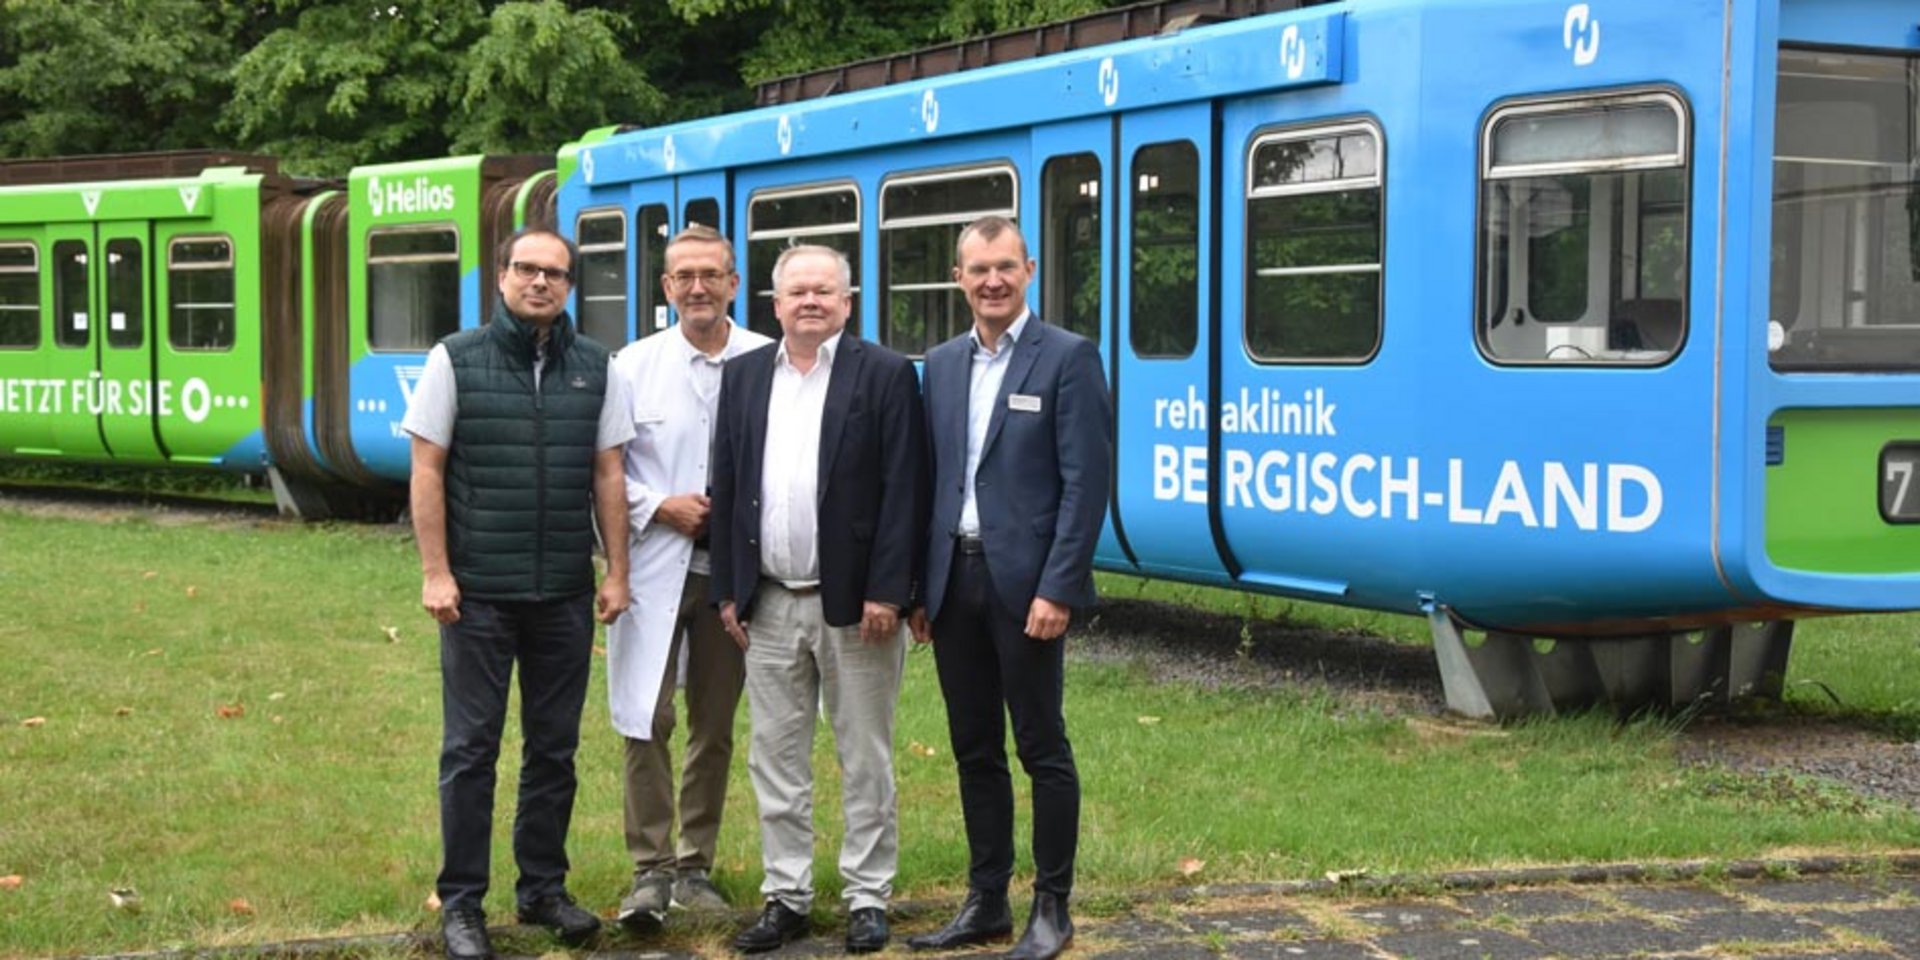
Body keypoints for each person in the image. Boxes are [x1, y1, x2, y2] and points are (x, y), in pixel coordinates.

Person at [404, 228, 633, 960]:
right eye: (527, 269)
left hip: (562, 592)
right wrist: (436, 572)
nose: (541, 282)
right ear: (501, 276)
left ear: (570, 286)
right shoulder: (455, 359)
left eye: (555, 274)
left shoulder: (597, 366)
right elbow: (427, 468)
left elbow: (608, 474)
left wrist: (617, 571)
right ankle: (462, 903)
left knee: (554, 750)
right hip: (477, 595)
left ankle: (542, 890)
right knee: (471, 750)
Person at [709, 244, 928, 955]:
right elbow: (726, 484)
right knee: (774, 758)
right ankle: (787, 896)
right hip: (768, 602)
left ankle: (867, 897)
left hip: (859, 607)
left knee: (864, 756)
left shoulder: (885, 374)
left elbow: (905, 489)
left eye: (824, 291)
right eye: (797, 291)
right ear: (774, 304)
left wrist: (889, 591)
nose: (810, 301)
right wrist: (728, 591)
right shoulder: (744, 376)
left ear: (847, 301)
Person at [907, 216, 1112, 960]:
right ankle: (986, 901)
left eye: (1005, 266)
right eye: (978, 269)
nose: (992, 281)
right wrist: (919, 589)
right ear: (958, 279)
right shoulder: (941, 364)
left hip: (1027, 589)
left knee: (1040, 745)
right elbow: (929, 478)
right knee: (973, 748)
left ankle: (1052, 907)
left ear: (1029, 269)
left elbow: (1086, 484)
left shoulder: (1068, 358)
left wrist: (1059, 587)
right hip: (953, 580)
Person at [605, 225, 771, 931]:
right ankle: (650, 869)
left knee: (715, 721)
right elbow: (604, 471)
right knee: (646, 716)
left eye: (711, 274)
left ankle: (695, 866)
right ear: (667, 287)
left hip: (731, 573)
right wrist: (659, 506)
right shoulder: (631, 366)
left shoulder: (768, 359)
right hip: (652, 566)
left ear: (734, 282)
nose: (698, 287)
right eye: (684, 277)